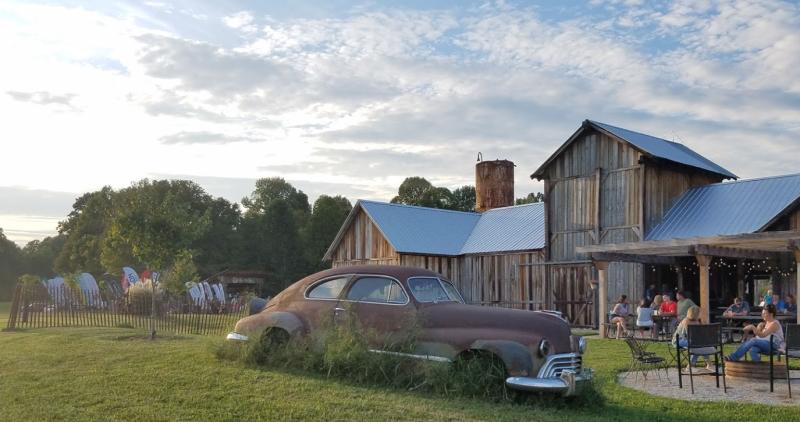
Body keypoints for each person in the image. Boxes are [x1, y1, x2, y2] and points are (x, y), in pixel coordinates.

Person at [672, 305, 713, 371]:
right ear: (696, 314)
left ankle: (692, 366)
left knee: (698, 345)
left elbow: (698, 335)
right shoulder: (686, 321)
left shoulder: (696, 321)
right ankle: (706, 365)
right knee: (697, 345)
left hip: (689, 340)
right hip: (678, 340)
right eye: (700, 313)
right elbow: (691, 335)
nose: (701, 314)